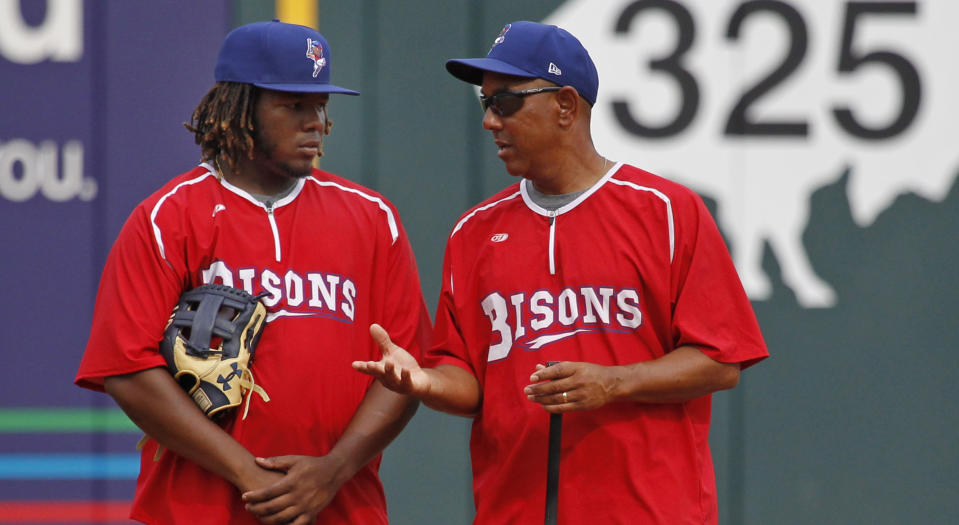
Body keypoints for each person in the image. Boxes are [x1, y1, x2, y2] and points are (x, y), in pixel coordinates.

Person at [353, 21, 769, 524]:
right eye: (484, 103)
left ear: (566, 105)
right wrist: (423, 382)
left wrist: (615, 383)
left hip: (649, 509)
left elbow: (721, 361)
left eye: (506, 102)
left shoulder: (666, 211)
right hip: (513, 508)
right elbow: (468, 380)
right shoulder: (474, 232)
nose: (490, 122)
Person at [75, 20, 431, 525]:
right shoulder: (170, 217)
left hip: (340, 506)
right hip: (197, 509)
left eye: (320, 106)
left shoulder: (371, 218)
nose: (315, 122)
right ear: (240, 107)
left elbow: (405, 366)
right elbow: (126, 369)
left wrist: (332, 471)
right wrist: (248, 473)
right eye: (293, 106)